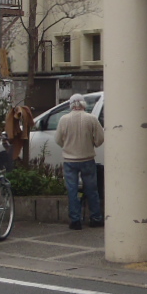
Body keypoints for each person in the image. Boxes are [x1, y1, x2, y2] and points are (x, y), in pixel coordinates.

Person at [55, 95, 104, 230]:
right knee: (92, 189)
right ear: (83, 104)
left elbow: (58, 139)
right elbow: (100, 138)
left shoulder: (63, 120)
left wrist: (67, 145)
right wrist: (93, 143)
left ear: (71, 105)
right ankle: (95, 218)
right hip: (87, 158)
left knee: (72, 190)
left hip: (70, 160)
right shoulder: (92, 119)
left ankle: (75, 220)